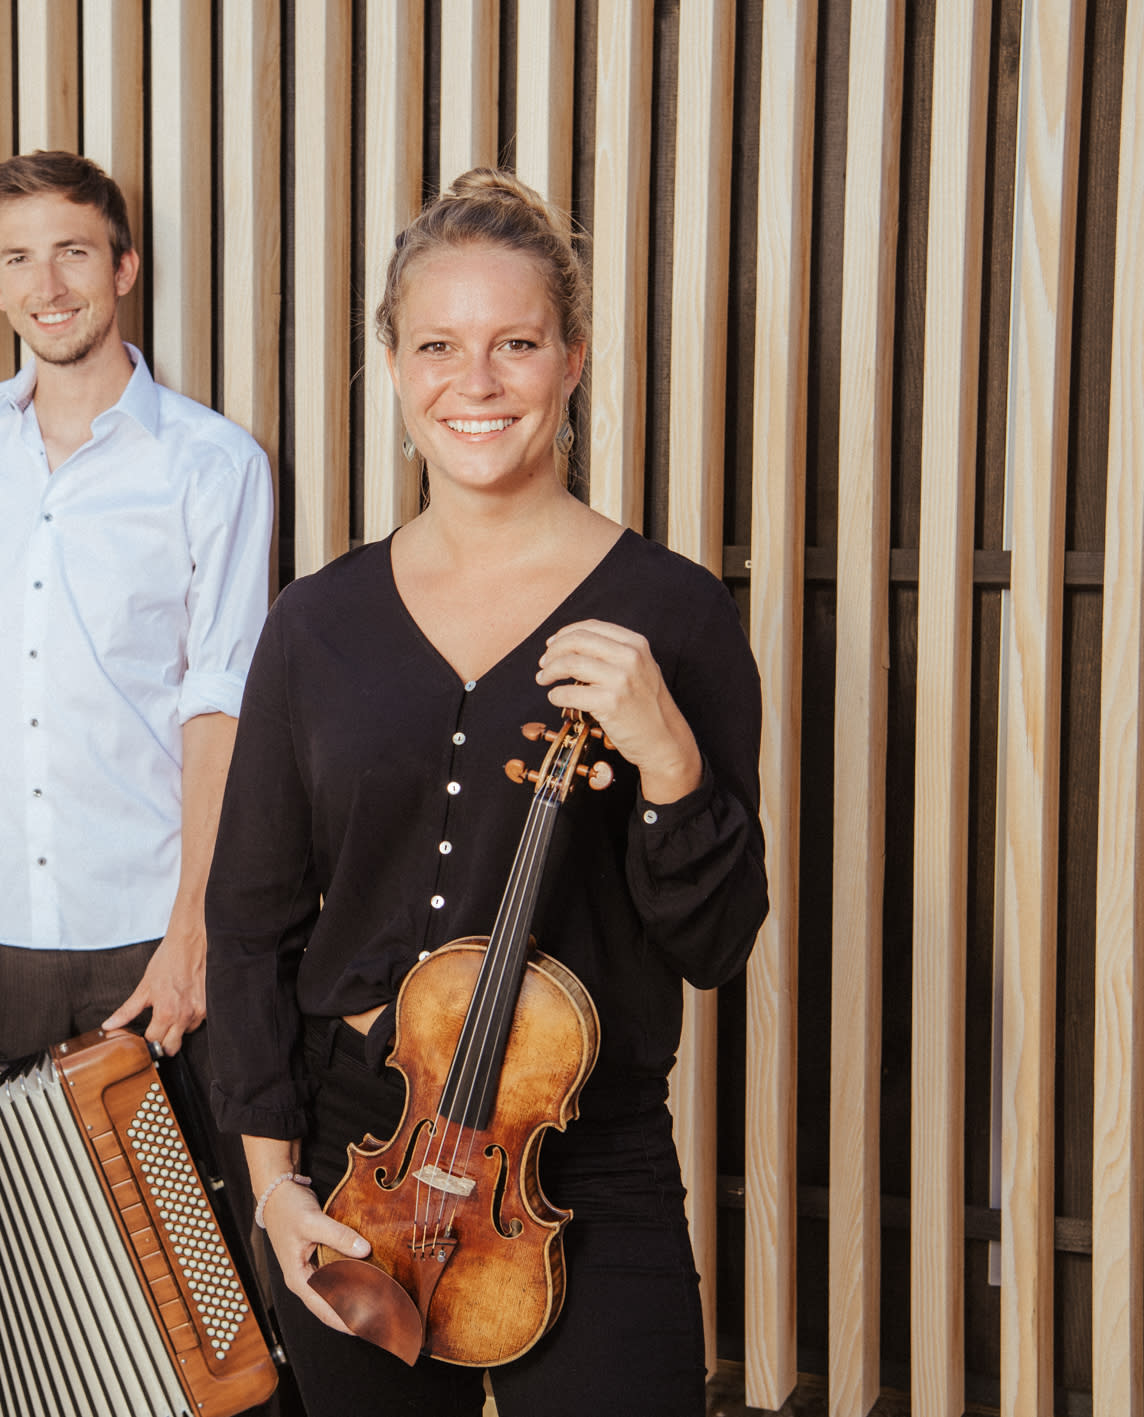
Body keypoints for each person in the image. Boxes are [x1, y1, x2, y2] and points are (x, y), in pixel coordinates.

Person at [205, 169, 768, 1415]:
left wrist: (667, 757)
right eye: (437, 346)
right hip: (354, 1162)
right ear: (392, 367)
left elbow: (714, 943)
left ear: (571, 360)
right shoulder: (315, 623)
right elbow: (247, 923)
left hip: (581, 1161)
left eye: (514, 343)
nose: (476, 381)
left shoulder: (673, 612)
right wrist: (274, 1185)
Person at [0, 151, 274, 1065]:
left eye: (73, 251)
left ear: (123, 267)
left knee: (164, 1170)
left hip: (141, 929)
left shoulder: (215, 464)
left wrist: (192, 926)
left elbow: (220, 708)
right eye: (18, 258)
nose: (48, 286)